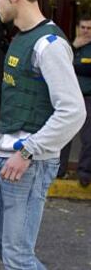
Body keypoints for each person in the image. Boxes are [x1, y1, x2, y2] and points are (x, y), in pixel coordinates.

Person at [0, 0, 86, 269]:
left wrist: (28, 150)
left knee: (17, 256)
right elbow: (25, 100)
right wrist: (2, 138)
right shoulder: (20, 38)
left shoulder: (49, 44)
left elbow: (73, 112)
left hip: (27, 164)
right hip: (4, 155)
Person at [59, 15, 91, 186]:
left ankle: (85, 173)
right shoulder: (70, 46)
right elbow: (58, 63)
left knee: (88, 139)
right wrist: (73, 47)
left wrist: (74, 66)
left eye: (89, 28)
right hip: (69, 98)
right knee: (64, 136)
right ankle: (59, 170)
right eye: (83, 27)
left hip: (88, 98)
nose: (86, 31)